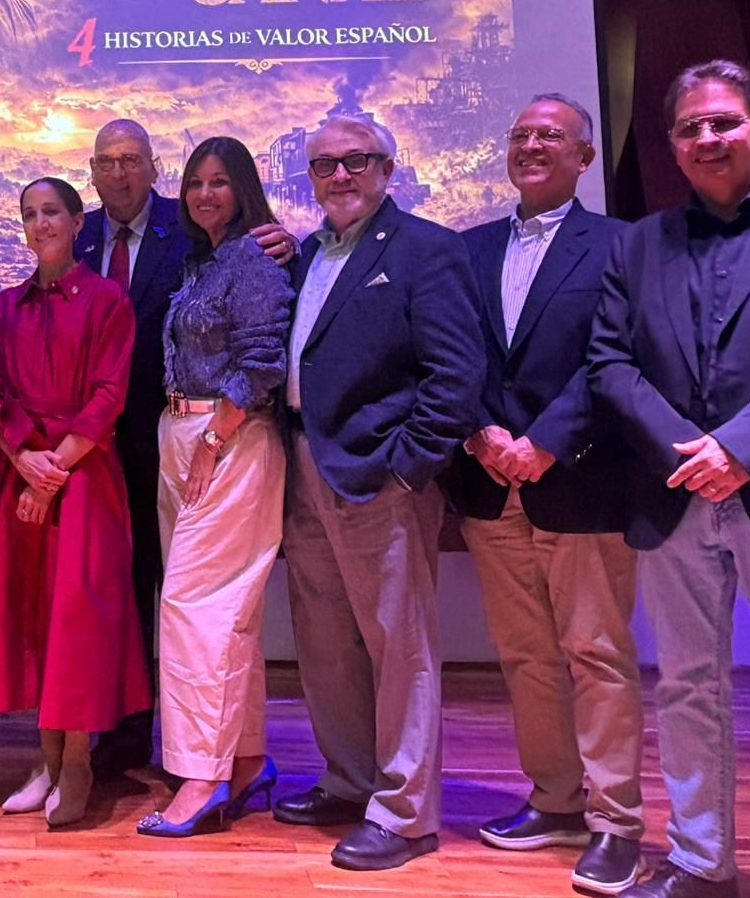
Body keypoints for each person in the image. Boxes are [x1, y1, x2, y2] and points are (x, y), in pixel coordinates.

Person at [590, 60, 750, 898]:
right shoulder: (638, 242)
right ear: (673, 146)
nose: (707, 138)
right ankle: (699, 860)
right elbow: (609, 361)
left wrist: (742, 447)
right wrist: (691, 453)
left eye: (724, 122)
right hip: (675, 496)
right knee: (686, 687)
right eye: (690, 128)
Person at [273, 115, 482, 871]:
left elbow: (456, 377)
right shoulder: (307, 254)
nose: (339, 176)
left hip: (379, 478)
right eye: (324, 165)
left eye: (356, 162)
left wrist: (406, 468)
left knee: (401, 647)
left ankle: (404, 811)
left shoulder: (428, 249)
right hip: (304, 467)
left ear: (387, 169)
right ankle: (351, 779)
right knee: (325, 640)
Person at [453, 95, 644, 895]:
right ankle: (557, 799)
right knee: (527, 657)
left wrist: (545, 441)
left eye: (550, 136)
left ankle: (615, 824)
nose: (531, 145)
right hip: (490, 483)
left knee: (596, 655)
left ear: (584, 158)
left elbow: (617, 356)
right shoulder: (468, 249)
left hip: (582, 481)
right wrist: (480, 434)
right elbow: (447, 354)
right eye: (520, 134)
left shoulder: (623, 246)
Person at [74, 119, 297, 778]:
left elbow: (264, 327)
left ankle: (201, 762)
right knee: (135, 593)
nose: (118, 173)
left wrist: (298, 246)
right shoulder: (81, 235)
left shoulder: (208, 233)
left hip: (203, 438)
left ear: (151, 166)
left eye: (132, 160)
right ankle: (145, 739)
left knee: (194, 606)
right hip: (108, 445)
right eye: (106, 161)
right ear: (92, 170)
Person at [0, 177, 148, 829]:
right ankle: (47, 759)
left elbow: (110, 393)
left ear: (78, 220)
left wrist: (55, 467)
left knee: (78, 619)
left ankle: (78, 762)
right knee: (33, 614)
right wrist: (25, 460)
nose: (39, 223)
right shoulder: (2, 308)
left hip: (84, 475)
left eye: (51, 211)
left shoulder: (110, 301)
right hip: (18, 475)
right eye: (29, 215)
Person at [135, 137, 293, 837]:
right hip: (184, 434)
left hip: (229, 439)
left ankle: (202, 778)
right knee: (225, 614)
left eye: (220, 182)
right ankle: (249, 760)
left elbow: (264, 360)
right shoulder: (201, 260)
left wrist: (216, 436)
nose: (204, 193)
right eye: (195, 182)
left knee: (194, 609)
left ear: (244, 189)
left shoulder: (256, 257)